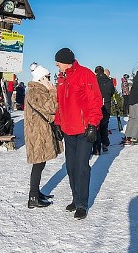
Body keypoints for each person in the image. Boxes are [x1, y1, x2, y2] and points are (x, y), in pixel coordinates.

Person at [54, 47, 102, 220]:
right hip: (68, 129)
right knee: (71, 166)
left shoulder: (85, 74)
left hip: (83, 129)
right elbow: (60, 103)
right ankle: (75, 198)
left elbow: (94, 101)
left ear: (65, 61)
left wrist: (93, 125)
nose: (56, 64)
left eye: (58, 61)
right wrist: (58, 124)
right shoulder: (61, 78)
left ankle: (82, 203)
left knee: (82, 167)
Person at [23, 62, 61, 208]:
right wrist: (53, 91)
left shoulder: (37, 90)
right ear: (41, 78)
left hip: (39, 131)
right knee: (38, 164)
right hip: (37, 133)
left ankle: (36, 192)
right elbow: (51, 108)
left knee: (41, 162)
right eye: (47, 77)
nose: (49, 80)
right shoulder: (35, 92)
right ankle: (33, 197)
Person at [94, 66, 115, 155]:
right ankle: (105, 144)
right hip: (106, 105)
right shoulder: (109, 81)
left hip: (96, 105)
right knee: (104, 125)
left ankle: (96, 148)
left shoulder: (94, 80)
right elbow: (112, 91)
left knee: (96, 127)